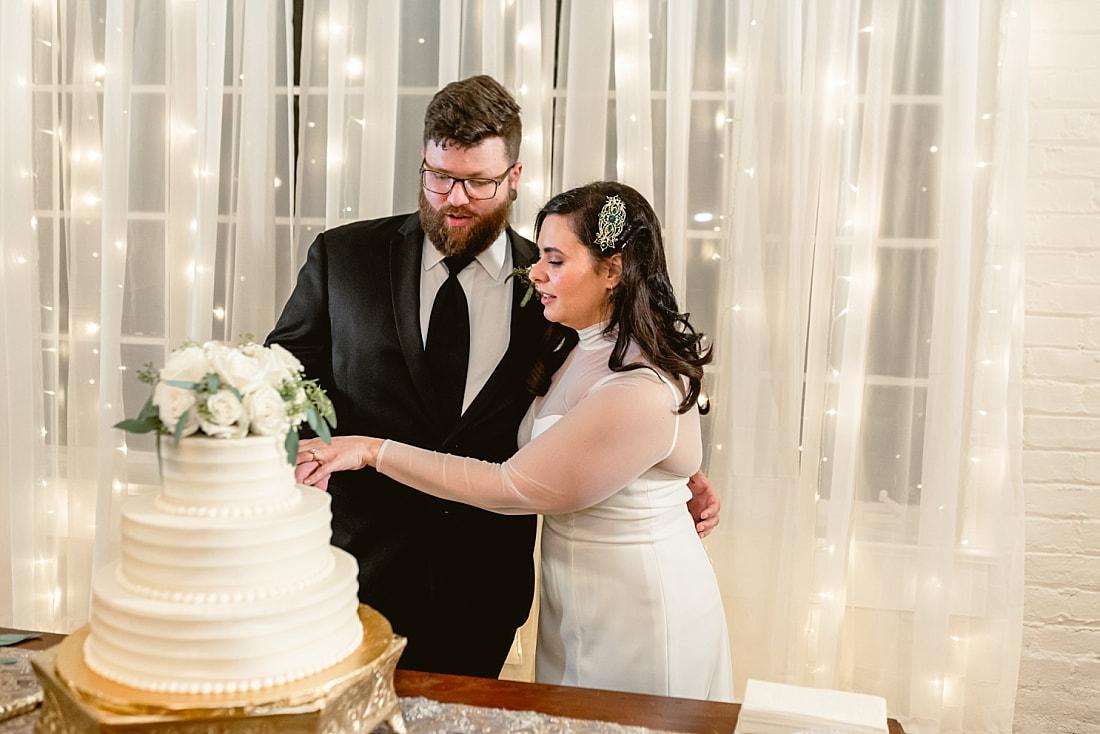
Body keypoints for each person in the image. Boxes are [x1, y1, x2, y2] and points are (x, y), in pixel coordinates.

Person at [267, 75, 720, 678]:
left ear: (513, 178)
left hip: (483, 580)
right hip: (358, 567)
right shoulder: (344, 257)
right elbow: (282, 378)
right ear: (423, 163)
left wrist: (669, 466)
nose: (454, 198)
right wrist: (304, 452)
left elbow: (614, 388)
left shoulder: (558, 281)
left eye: (478, 183)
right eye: (439, 176)